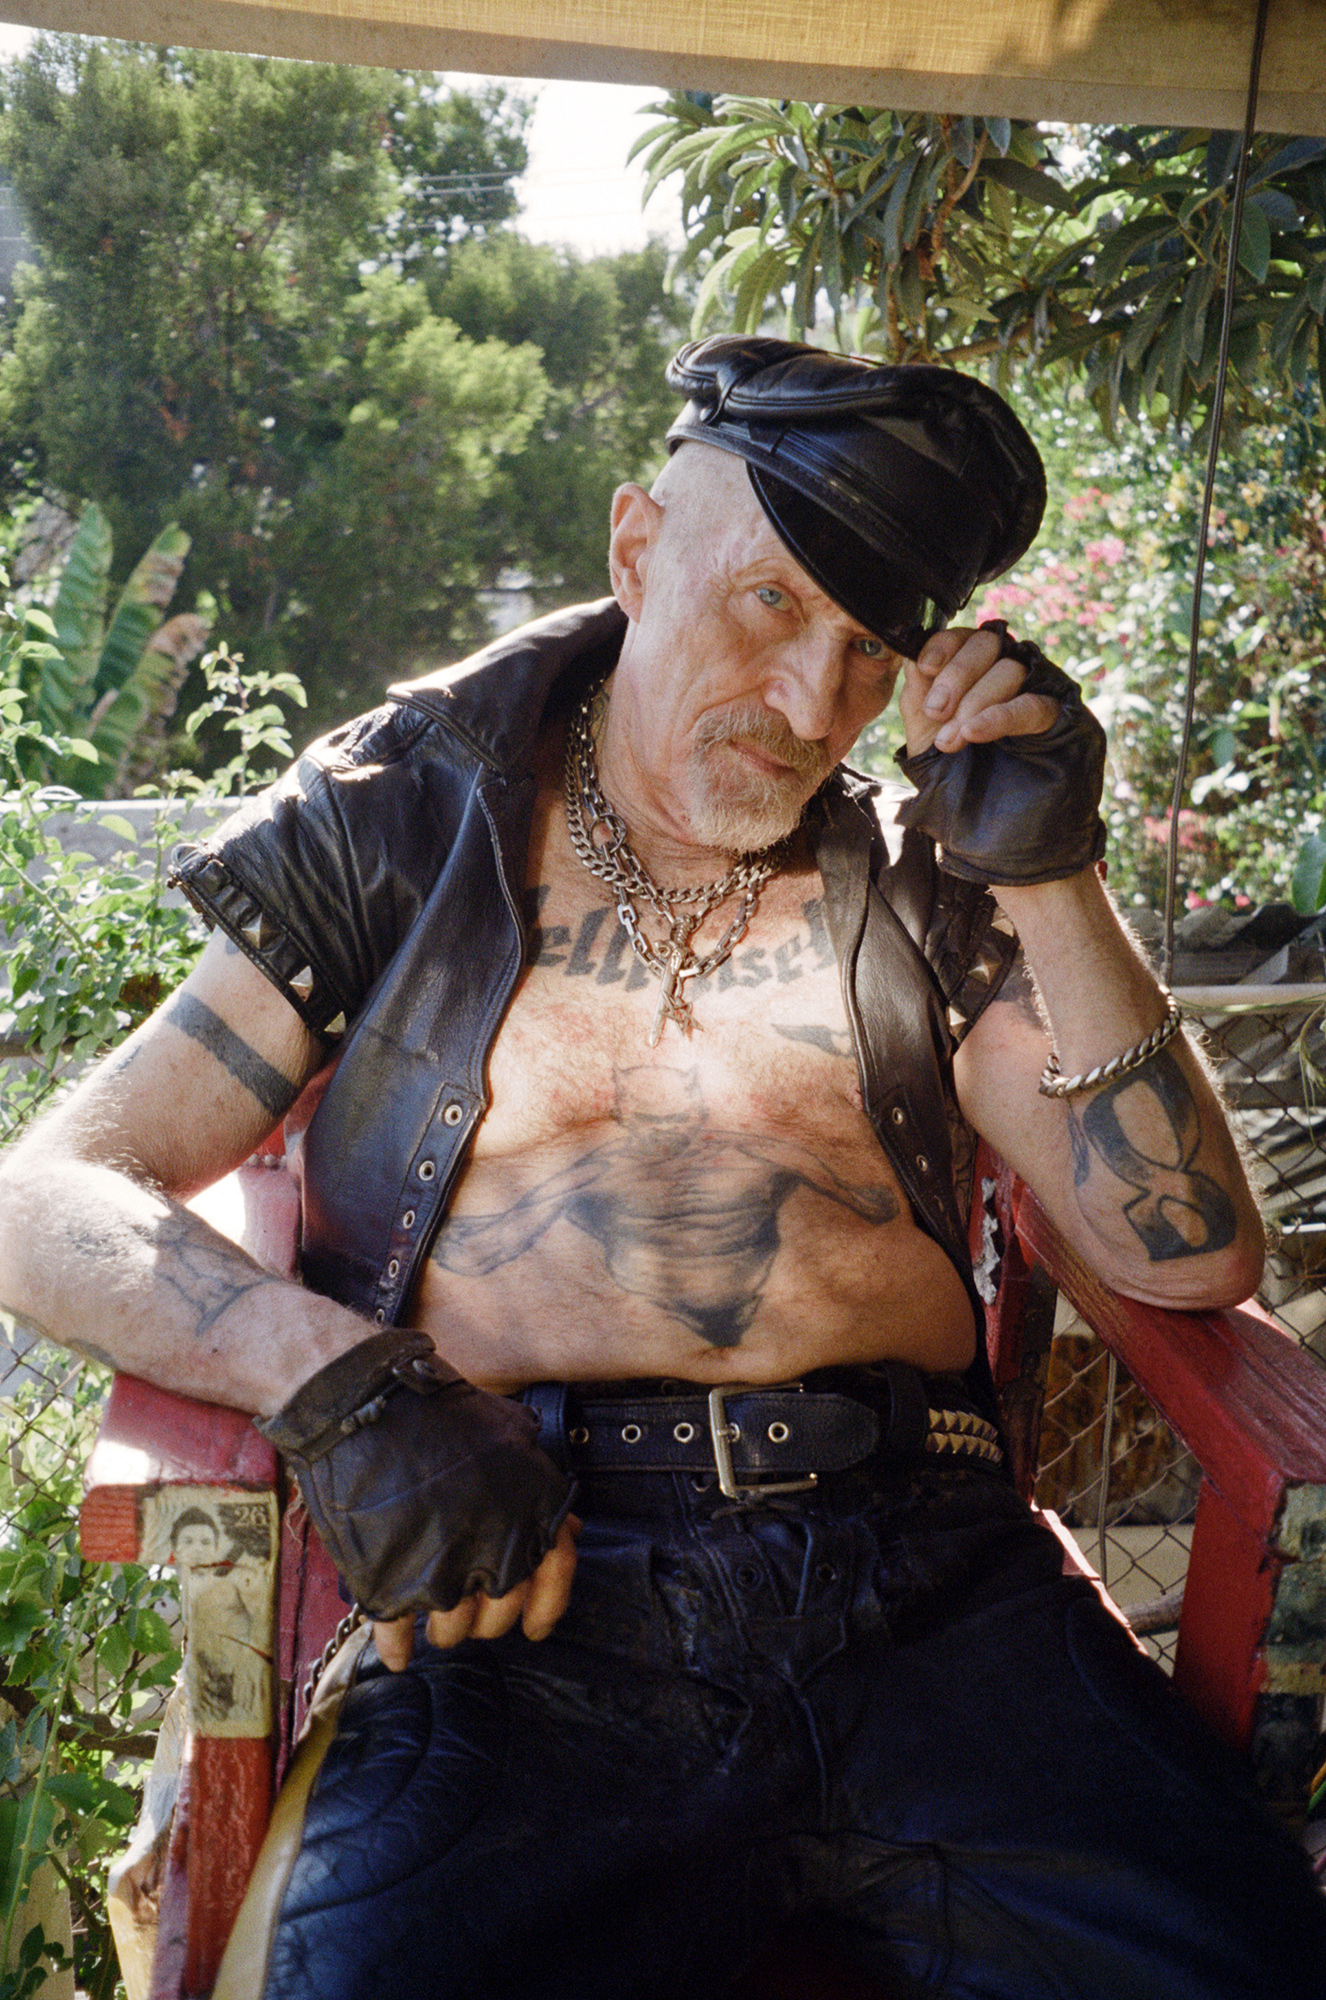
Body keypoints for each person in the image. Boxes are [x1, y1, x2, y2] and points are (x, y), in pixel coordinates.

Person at [0, 335, 1322, 1999]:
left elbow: (1187, 1262)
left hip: (934, 1587)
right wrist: (334, 1379)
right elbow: (48, 1196)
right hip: (537, 1587)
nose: (809, 706)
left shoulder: (921, 870)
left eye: (867, 654)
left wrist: (1056, 880)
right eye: (767, 605)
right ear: (635, 546)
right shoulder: (409, 819)